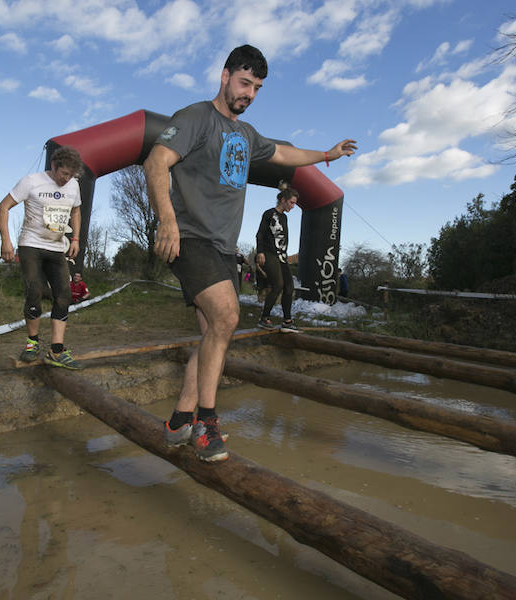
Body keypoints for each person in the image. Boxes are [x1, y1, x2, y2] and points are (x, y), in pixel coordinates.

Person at [142, 44, 356, 462]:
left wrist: (327, 154)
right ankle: (206, 423)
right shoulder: (195, 118)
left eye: (257, 87)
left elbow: (284, 154)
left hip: (223, 247)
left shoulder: (247, 134)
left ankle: (178, 421)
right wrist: (166, 219)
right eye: (244, 83)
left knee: (212, 335)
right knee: (227, 317)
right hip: (189, 238)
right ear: (224, 77)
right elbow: (155, 162)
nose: (250, 93)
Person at [0, 146, 84, 369]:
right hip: (31, 245)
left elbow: (76, 211)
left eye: (71, 175)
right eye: (64, 173)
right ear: (54, 166)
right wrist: (5, 241)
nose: (66, 179)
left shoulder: (73, 185)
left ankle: (56, 351)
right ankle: (32, 343)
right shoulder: (31, 181)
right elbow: (3, 207)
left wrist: (75, 239)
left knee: (64, 295)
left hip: (56, 247)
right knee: (35, 290)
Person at [256, 183, 299, 332]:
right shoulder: (269, 214)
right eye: (292, 202)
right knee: (278, 285)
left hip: (282, 256)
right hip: (268, 253)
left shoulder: (285, 218)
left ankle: (287, 321)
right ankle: (264, 318)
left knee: (289, 287)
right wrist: (260, 252)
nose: (293, 206)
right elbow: (260, 233)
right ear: (283, 200)